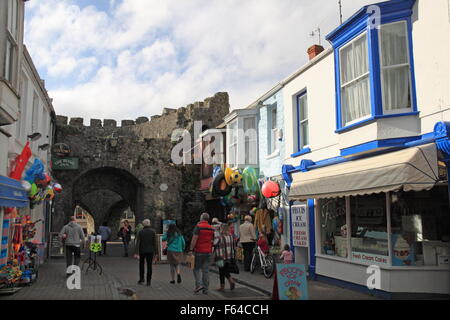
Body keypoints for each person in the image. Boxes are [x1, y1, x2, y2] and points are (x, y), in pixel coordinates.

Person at [189, 212, 214, 295]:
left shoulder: (198, 227)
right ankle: (205, 289)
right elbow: (212, 240)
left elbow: (194, 239)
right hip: (208, 251)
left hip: (199, 251)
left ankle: (198, 285)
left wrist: (191, 249)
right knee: (206, 270)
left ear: (202, 218)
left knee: (196, 268)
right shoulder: (211, 228)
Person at [133, 219, 156, 286]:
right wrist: (156, 252)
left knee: (141, 265)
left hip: (142, 250)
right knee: (149, 266)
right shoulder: (153, 232)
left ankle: (141, 279)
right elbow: (155, 242)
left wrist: (136, 252)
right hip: (150, 251)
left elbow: (138, 242)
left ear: (143, 224)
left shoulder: (141, 232)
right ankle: (148, 281)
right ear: (149, 224)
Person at [214, 224, 237, 291]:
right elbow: (233, 246)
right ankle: (228, 283)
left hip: (220, 256)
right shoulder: (231, 236)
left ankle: (225, 284)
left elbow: (214, 244)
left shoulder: (219, 237)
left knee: (221, 271)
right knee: (225, 270)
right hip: (229, 256)